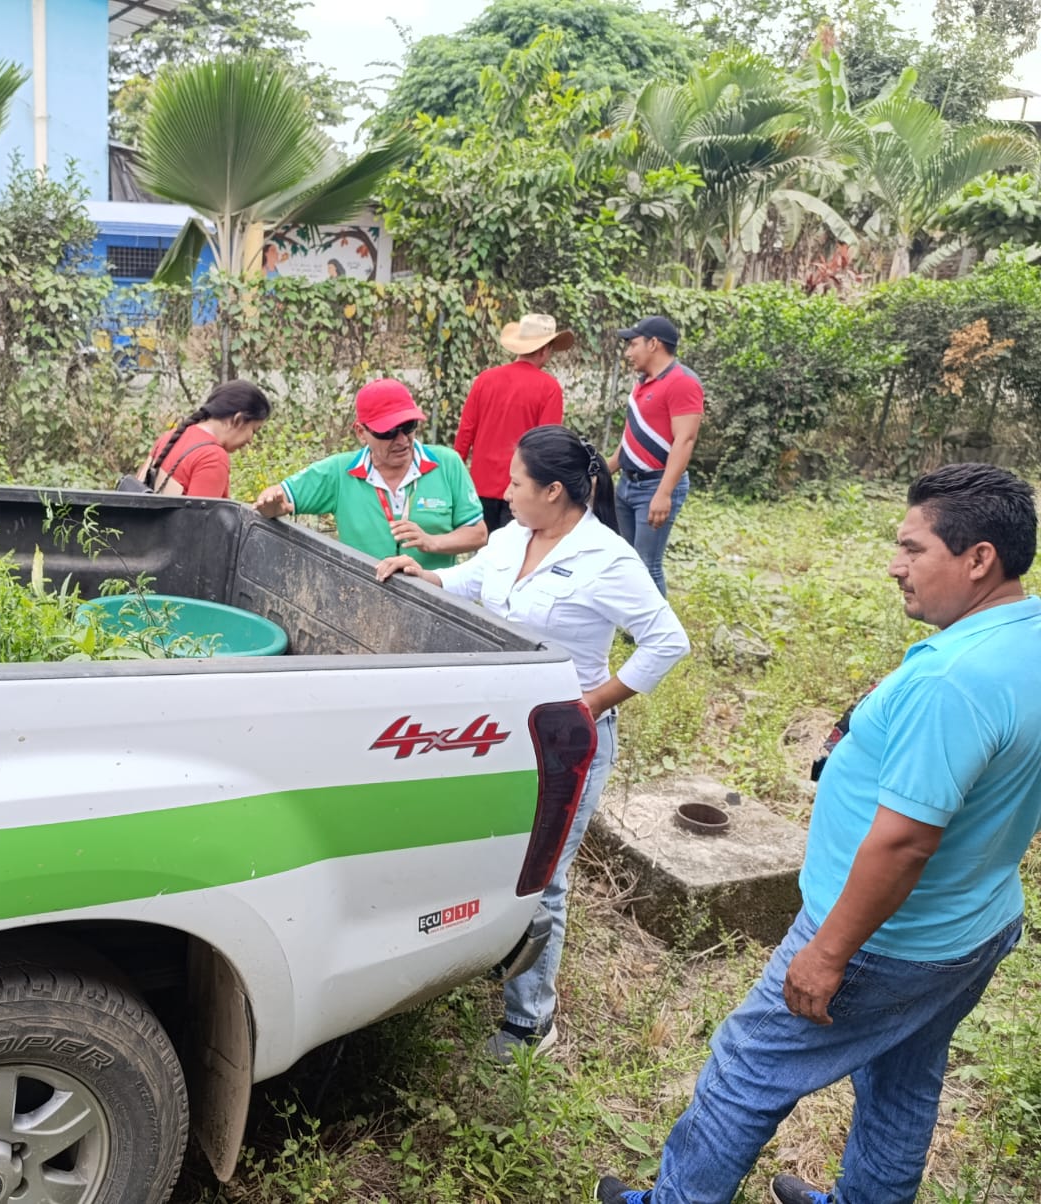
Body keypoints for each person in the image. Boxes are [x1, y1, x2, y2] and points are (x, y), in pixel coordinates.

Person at [596, 463, 1041, 1204]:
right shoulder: (1025, 636)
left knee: (746, 1067)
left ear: (979, 559)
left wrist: (829, 952)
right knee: (902, 1079)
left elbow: (904, 842)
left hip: (885, 939)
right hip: (974, 924)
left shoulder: (952, 681)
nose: (894, 566)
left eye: (913, 549)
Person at [375, 425, 689, 1053]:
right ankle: (491, 951)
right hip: (496, 732)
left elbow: (667, 642)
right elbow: (472, 582)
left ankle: (531, 1021)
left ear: (553, 491)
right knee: (492, 854)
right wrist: (424, 573)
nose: (507, 490)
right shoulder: (512, 536)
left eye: (516, 482)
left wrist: (590, 703)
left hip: (564, 743)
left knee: (543, 876)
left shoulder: (607, 558)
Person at [254, 378, 486, 570]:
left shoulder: (446, 464)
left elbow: (478, 534)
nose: (402, 440)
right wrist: (271, 505)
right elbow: (278, 498)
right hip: (364, 596)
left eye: (409, 426)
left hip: (432, 599)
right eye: (389, 432)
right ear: (361, 432)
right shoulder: (339, 472)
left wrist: (432, 542)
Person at [604, 315, 702, 596]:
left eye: (633, 344)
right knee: (626, 561)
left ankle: (657, 624)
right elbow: (633, 435)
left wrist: (664, 493)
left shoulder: (682, 383)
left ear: (654, 344)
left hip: (654, 485)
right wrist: (604, 470)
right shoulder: (643, 382)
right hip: (628, 483)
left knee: (647, 565)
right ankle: (629, 618)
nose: (628, 352)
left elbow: (685, 439)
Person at [455, 313, 573, 531]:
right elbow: (547, 446)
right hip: (522, 488)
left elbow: (466, 431)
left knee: (482, 545)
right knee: (516, 547)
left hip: (480, 484)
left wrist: (456, 473)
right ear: (544, 349)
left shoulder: (485, 379)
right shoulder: (549, 388)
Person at [133, 380, 272, 498]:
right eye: (253, 430)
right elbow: (200, 521)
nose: (250, 440)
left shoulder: (172, 436)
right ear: (238, 420)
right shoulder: (212, 457)